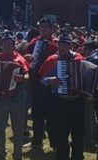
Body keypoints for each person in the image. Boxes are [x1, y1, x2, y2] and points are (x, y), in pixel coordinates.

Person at [39, 34, 85, 160]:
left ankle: (77, 156)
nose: (62, 48)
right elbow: (41, 79)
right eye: (60, 45)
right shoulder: (52, 60)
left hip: (77, 101)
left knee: (78, 133)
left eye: (65, 45)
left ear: (70, 46)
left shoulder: (79, 59)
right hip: (59, 101)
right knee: (61, 133)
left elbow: (86, 77)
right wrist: (50, 80)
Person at [0, 32, 30, 160]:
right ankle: (0, 154)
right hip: (0, 98)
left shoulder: (20, 60)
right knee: (0, 128)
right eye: (4, 44)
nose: (6, 47)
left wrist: (22, 78)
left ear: (13, 46)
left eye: (9, 44)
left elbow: (27, 76)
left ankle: (17, 154)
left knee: (18, 129)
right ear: (1, 45)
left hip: (18, 99)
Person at [26, 18, 58, 153]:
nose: (43, 29)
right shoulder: (33, 43)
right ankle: (37, 140)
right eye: (41, 27)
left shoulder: (56, 45)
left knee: (52, 115)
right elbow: (27, 62)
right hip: (36, 82)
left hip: (51, 83)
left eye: (46, 27)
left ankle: (54, 142)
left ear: (52, 29)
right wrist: (27, 59)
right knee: (37, 113)